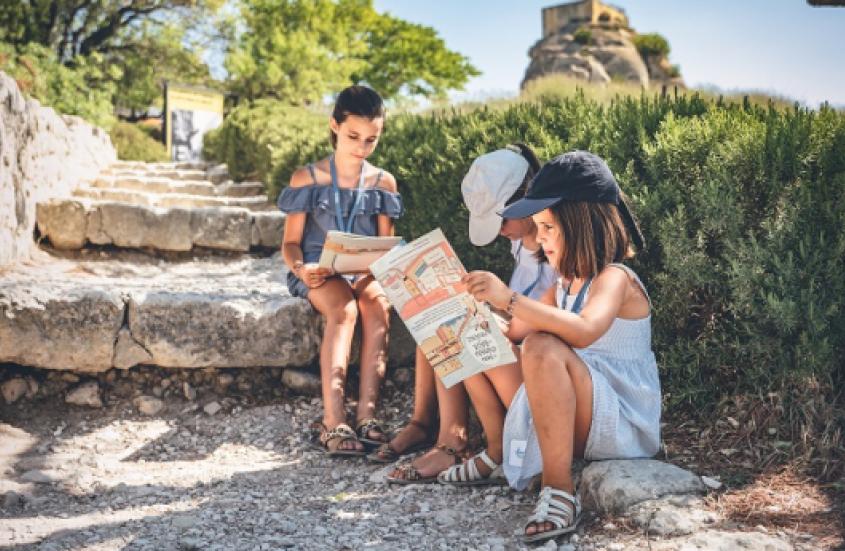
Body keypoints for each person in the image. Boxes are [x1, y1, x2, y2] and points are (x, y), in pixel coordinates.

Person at [457, 151, 661, 543]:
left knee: (541, 347)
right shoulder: (563, 285)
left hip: (618, 419)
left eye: (548, 228)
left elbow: (584, 331)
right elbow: (515, 330)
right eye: (538, 228)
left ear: (581, 223)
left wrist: (508, 298)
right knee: (475, 336)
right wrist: (474, 308)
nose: (542, 240)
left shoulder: (616, 279)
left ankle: (559, 490)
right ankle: (497, 448)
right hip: (577, 407)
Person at [377, 144, 557, 484]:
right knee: (437, 323)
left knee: (464, 335)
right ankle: (432, 428)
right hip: (515, 341)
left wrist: (500, 313)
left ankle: (458, 443)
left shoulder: (556, 255)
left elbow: (543, 322)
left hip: (532, 360)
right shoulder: (520, 240)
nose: (501, 231)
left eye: (502, 220)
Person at [278, 85, 402, 457]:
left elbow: (385, 246)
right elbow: (290, 244)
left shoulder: (384, 182)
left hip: (364, 270)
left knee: (377, 305)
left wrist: (376, 271)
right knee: (344, 309)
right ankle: (334, 420)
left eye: (371, 139)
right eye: (353, 136)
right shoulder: (308, 178)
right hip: (320, 270)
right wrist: (302, 269)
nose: (361, 147)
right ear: (334, 125)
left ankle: (367, 415)